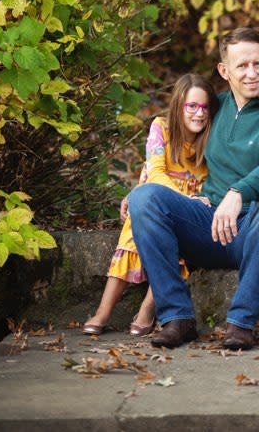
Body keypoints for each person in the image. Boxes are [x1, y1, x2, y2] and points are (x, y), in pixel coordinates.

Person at [128, 27, 259, 349]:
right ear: (224, 71)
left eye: (257, 64)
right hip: (210, 224)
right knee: (145, 199)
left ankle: (241, 322)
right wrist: (146, 179)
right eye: (242, 66)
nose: (251, 73)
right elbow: (176, 139)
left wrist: (237, 193)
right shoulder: (216, 107)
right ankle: (177, 318)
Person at [83, 73, 219, 337]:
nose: (199, 114)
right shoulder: (161, 128)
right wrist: (140, 194)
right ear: (179, 106)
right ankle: (103, 311)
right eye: (192, 106)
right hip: (161, 193)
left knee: (176, 244)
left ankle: (146, 311)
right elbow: (155, 172)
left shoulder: (212, 137)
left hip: (191, 207)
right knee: (133, 232)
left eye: (204, 107)